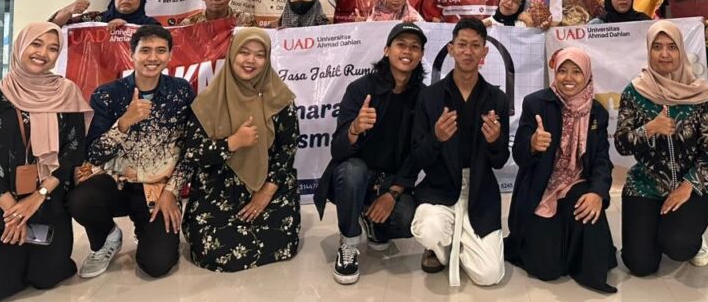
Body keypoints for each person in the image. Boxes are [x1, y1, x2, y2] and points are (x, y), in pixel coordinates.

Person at [68, 25, 194, 280]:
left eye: (160, 50)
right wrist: (124, 123)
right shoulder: (108, 94)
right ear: (131, 54)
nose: (152, 57)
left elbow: (191, 148)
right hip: (114, 183)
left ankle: (145, 231)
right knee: (81, 200)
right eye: (145, 50)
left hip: (156, 190)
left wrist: (172, 191)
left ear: (170, 55)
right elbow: (93, 154)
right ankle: (107, 237)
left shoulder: (181, 92)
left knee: (156, 265)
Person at [315, 22, 426, 284]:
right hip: (356, 175)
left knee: (407, 221)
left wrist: (392, 194)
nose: (407, 51)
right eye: (401, 44)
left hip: (390, 180)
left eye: (414, 47)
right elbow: (337, 149)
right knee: (352, 172)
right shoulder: (360, 89)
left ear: (421, 55)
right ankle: (349, 240)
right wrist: (354, 128)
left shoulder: (423, 96)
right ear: (387, 50)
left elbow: (417, 155)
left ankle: (374, 224)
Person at [182, 28, 300, 272]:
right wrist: (232, 142)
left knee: (282, 242)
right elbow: (192, 153)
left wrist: (266, 192)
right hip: (219, 187)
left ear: (267, 60)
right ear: (232, 54)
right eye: (244, 52)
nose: (250, 60)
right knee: (215, 251)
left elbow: (287, 148)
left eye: (259, 55)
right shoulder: (208, 101)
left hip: (267, 182)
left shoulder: (279, 98)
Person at [409, 17, 509, 286]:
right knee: (429, 230)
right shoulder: (430, 96)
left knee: (489, 275)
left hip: (480, 190)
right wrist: (436, 138)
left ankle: (460, 241)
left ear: (484, 52)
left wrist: (495, 141)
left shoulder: (496, 99)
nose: (468, 52)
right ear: (451, 49)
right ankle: (440, 248)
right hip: (440, 187)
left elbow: (500, 161)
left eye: (475, 45)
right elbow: (418, 156)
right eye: (462, 45)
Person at [506, 48, 616, 292]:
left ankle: (577, 252)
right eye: (563, 71)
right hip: (541, 187)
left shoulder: (596, 111)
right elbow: (519, 155)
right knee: (546, 269)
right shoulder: (536, 103)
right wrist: (532, 144)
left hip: (577, 181)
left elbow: (601, 159)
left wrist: (597, 192)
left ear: (587, 75)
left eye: (576, 71)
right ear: (555, 73)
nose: (568, 77)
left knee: (587, 208)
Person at [614, 21, 708, 275]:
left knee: (678, 245)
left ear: (681, 51)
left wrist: (687, 186)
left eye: (672, 47)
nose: (664, 54)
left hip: (693, 186)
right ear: (648, 51)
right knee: (640, 264)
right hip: (646, 184)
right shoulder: (635, 92)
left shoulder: (701, 94)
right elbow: (621, 144)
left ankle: (692, 237)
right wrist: (649, 129)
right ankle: (661, 226)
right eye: (657, 47)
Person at [0, 23, 91, 302]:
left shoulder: (66, 92)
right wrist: (13, 210)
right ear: (20, 46)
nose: (43, 53)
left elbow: (73, 151)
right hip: (3, 199)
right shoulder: (2, 93)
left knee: (46, 277)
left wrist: (38, 196)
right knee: (4, 284)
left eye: (53, 48)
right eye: (36, 44)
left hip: (48, 198)